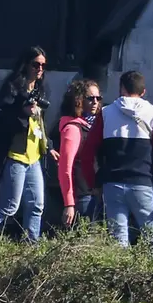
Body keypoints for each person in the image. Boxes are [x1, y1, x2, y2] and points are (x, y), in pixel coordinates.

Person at [77, 71, 153, 247]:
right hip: (143, 184)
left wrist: (93, 184)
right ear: (143, 92)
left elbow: (87, 152)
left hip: (113, 186)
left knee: (118, 241)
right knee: (152, 241)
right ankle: (152, 274)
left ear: (121, 88)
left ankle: (118, 274)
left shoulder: (105, 113)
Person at [0, 47, 58, 242]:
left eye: (43, 66)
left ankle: (31, 244)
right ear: (26, 65)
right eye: (36, 64)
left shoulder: (40, 90)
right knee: (9, 205)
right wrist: (22, 111)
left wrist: (49, 146)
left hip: (34, 156)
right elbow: (2, 122)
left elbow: (40, 124)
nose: (40, 69)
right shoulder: (12, 88)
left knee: (37, 204)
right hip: (15, 154)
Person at [58, 78, 103, 226]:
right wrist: (69, 203)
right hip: (82, 195)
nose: (95, 102)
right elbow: (65, 168)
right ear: (79, 100)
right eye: (90, 98)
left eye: (98, 98)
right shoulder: (73, 128)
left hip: (95, 192)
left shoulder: (96, 125)